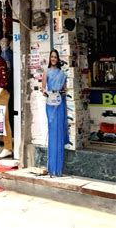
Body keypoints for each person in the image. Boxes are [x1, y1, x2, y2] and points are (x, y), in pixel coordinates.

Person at [42, 49, 69, 177]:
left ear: (58, 59)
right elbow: (43, 88)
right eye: (52, 57)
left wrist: (61, 92)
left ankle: (59, 170)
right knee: (52, 132)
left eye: (55, 57)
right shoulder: (46, 71)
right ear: (50, 58)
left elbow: (64, 89)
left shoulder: (62, 74)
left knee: (59, 133)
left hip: (60, 103)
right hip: (50, 104)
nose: (53, 59)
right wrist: (46, 93)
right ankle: (51, 168)